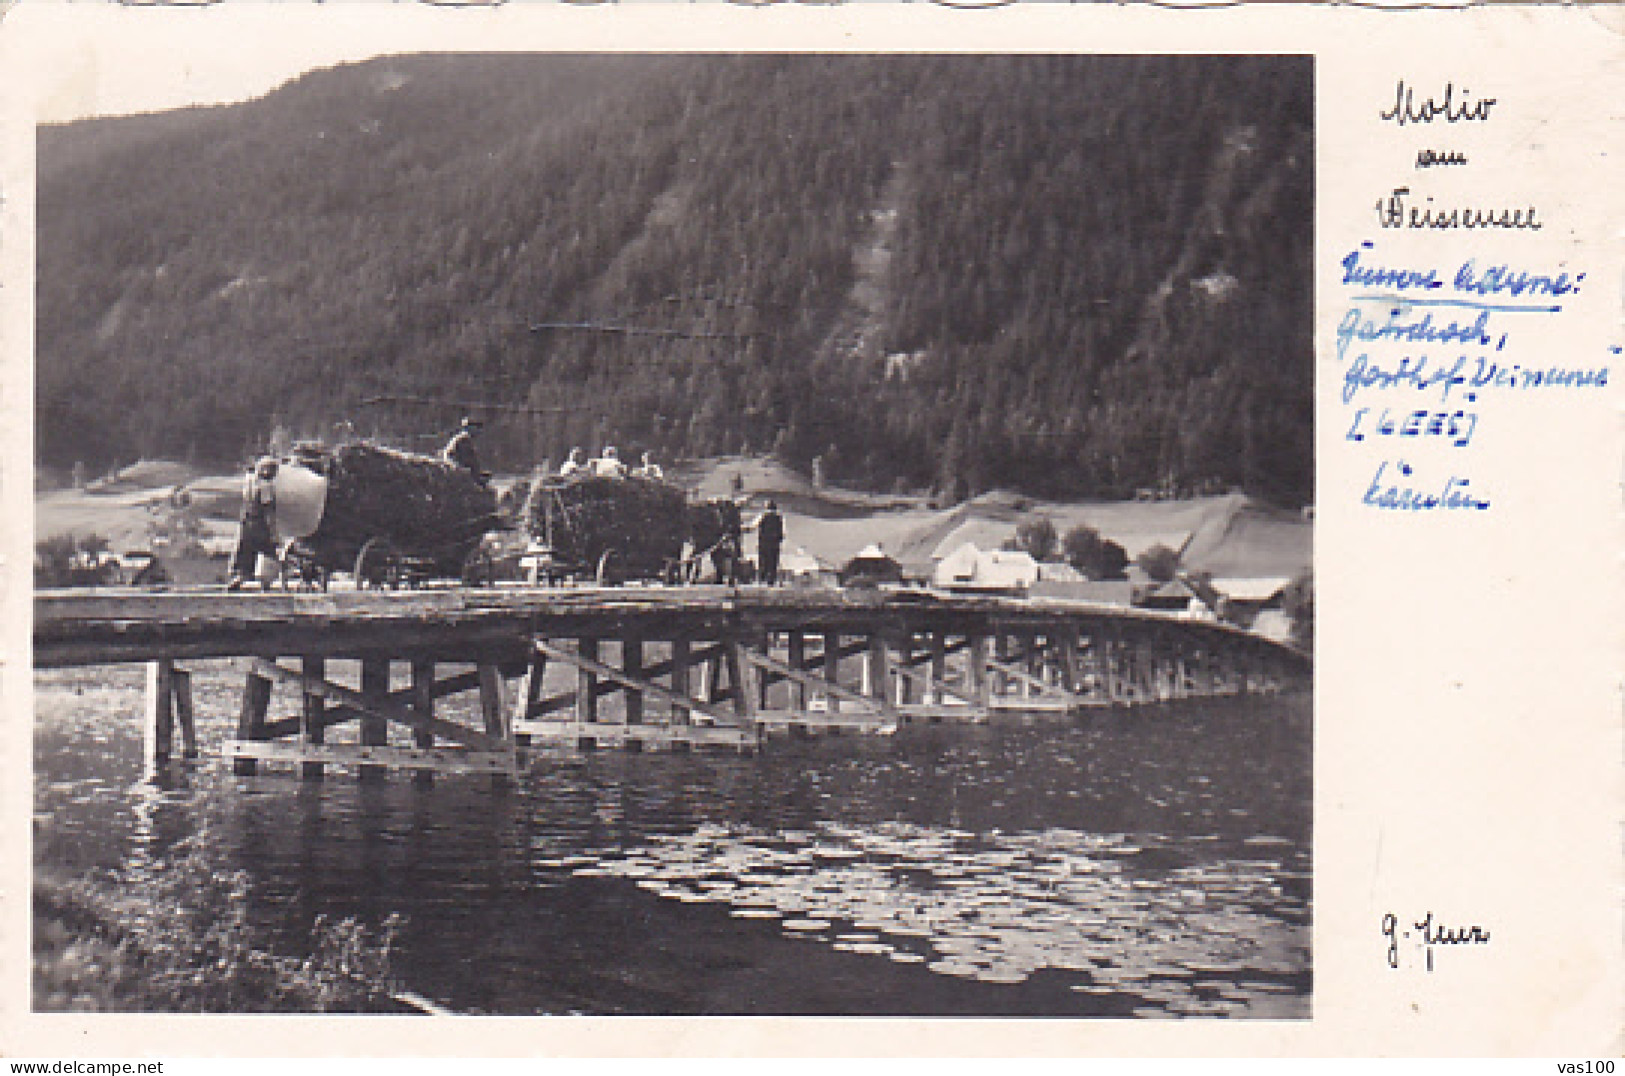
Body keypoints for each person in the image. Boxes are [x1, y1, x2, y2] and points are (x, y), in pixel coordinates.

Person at [225, 458, 279, 591]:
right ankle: (266, 582)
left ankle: (239, 577)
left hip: (245, 521)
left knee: (244, 551)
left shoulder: (249, 481)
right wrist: (273, 530)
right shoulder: (266, 486)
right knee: (268, 551)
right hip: (259, 523)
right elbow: (267, 509)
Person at [754, 499, 785, 586]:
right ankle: (771, 580)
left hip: (764, 543)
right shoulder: (778, 518)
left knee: (763, 561)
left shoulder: (763, 517)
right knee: (773, 562)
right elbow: (780, 533)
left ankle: (761, 579)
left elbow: (757, 527)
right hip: (774, 544)